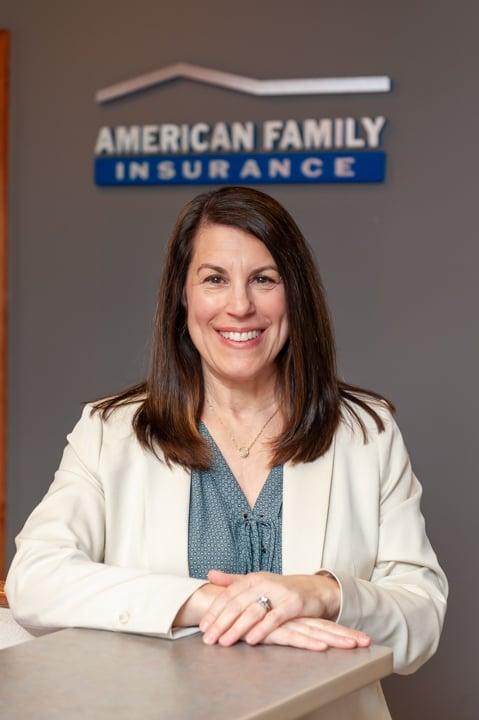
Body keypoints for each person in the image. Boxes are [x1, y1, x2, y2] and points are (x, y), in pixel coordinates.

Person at [5, 186, 447, 719]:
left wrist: (323, 594)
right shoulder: (110, 431)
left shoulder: (367, 432)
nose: (240, 305)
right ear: (183, 296)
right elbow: (35, 577)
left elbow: (422, 618)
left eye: (264, 279)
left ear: (295, 295)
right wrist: (205, 602)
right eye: (215, 279)